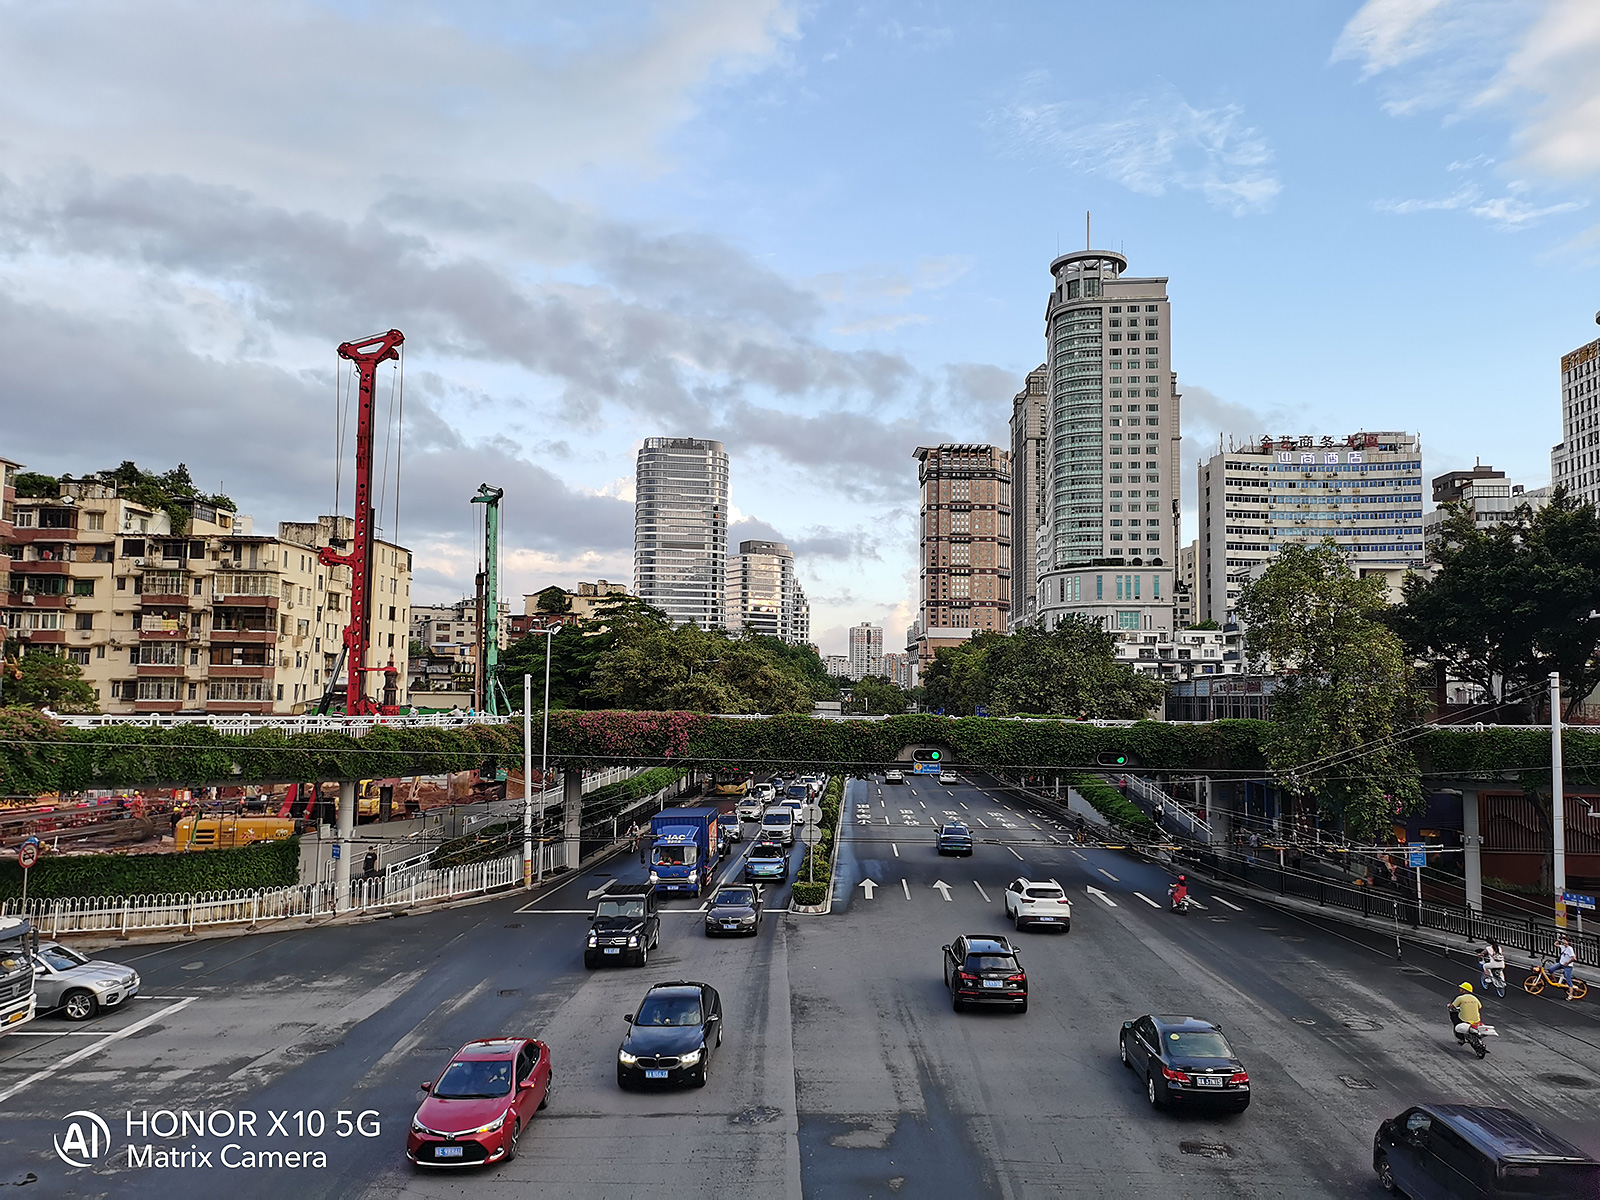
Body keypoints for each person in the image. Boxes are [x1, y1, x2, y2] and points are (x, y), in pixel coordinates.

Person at [1449, 982, 1484, 1048]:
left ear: (1464, 990)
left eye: (1461, 988)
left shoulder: (1460, 998)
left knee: (1456, 1021)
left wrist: (1449, 1006)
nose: (1460, 989)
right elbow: (1480, 1007)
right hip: (1476, 1020)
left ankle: (1461, 1038)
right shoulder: (1474, 998)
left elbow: (1452, 1006)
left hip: (1464, 1020)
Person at [1557, 935, 1579, 1000]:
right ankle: (1557, 983)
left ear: (1568, 942)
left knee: (1568, 980)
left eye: (1565, 940)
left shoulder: (1570, 949)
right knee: (1551, 969)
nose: (1563, 942)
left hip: (1568, 966)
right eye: (1563, 941)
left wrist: (1568, 963)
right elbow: (1555, 944)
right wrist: (1560, 939)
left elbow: (1574, 958)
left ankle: (1571, 995)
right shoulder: (1563, 947)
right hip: (1562, 964)